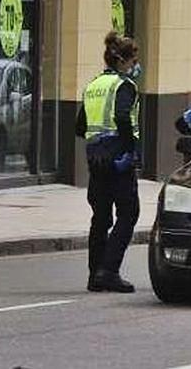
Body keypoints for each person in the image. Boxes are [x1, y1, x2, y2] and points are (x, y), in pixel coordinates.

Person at [75, 32, 142, 294]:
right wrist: (129, 150)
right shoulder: (124, 86)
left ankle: (95, 275)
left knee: (100, 217)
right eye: (134, 59)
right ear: (124, 60)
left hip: (95, 156)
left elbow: (80, 127)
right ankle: (110, 271)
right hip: (117, 154)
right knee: (128, 213)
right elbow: (123, 116)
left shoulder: (92, 85)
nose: (136, 65)